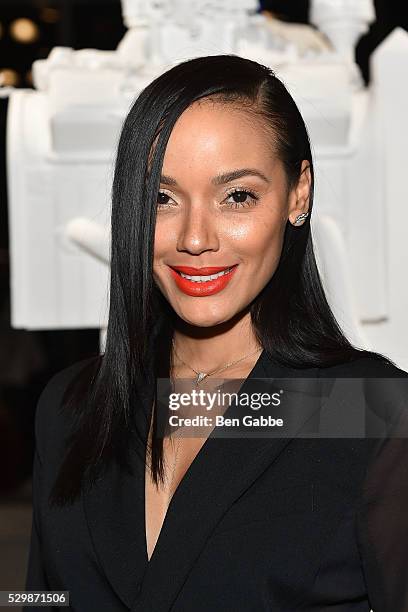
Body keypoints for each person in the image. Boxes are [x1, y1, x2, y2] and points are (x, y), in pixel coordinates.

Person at [24, 54, 408, 611]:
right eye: (162, 197)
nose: (196, 238)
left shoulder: (368, 410)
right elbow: (43, 600)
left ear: (298, 194)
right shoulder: (71, 407)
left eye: (238, 196)